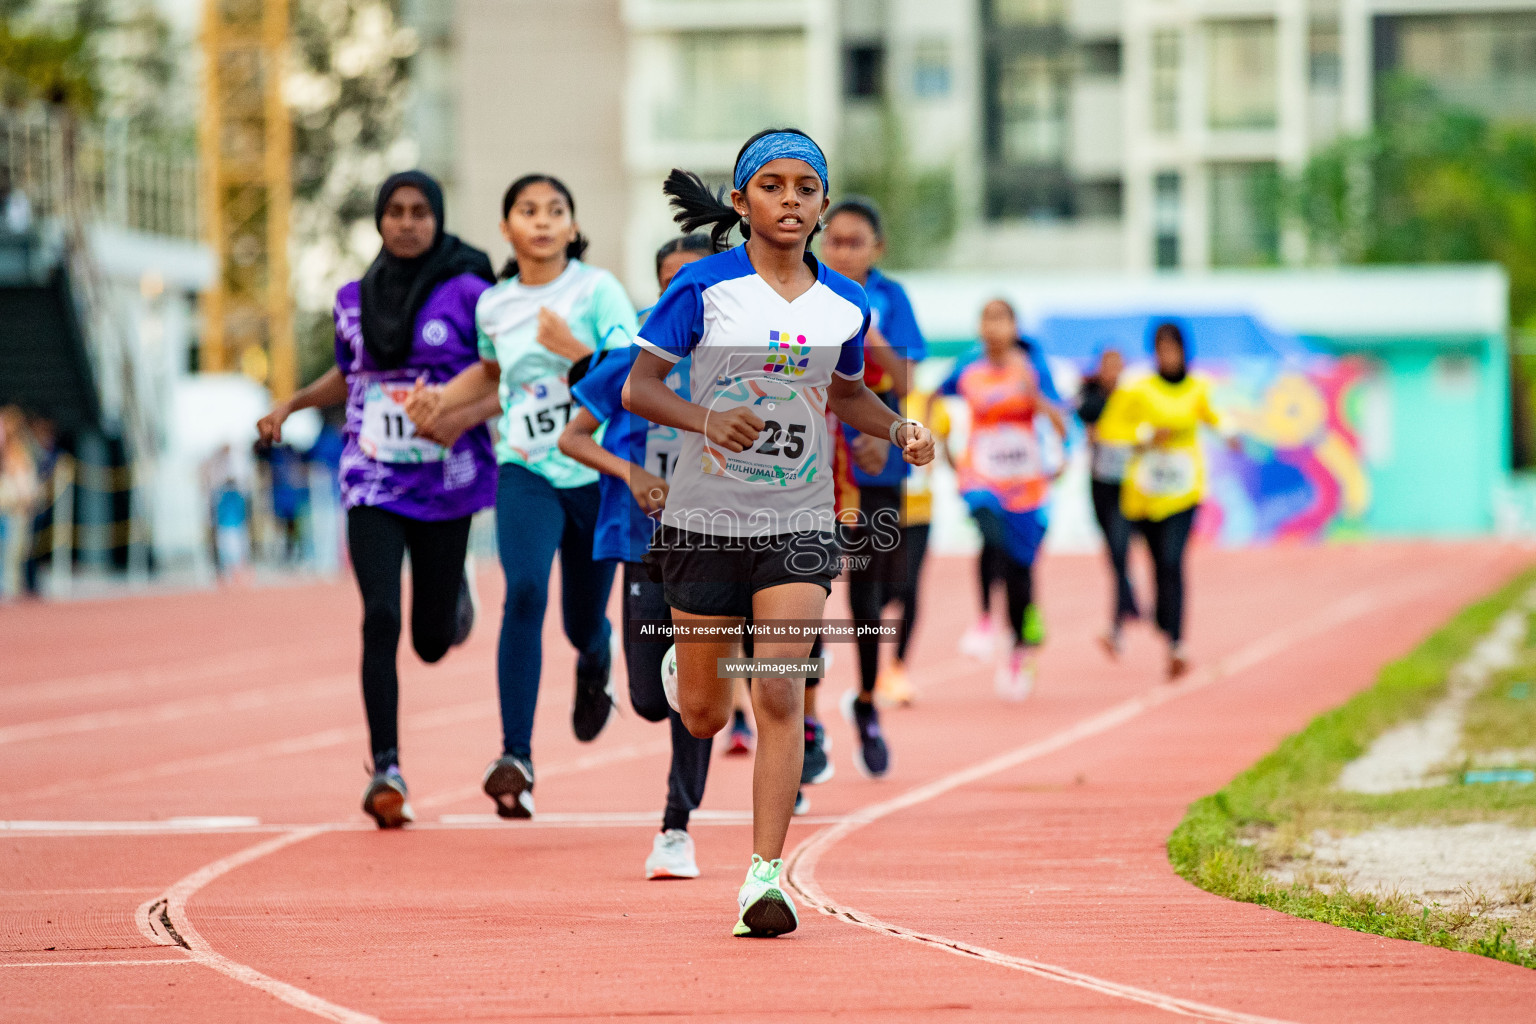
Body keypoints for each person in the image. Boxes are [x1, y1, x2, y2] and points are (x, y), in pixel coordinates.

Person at [623, 128, 935, 937]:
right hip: (701, 521)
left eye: (805, 187)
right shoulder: (702, 289)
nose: (790, 199)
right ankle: (685, 666)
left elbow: (847, 394)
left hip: (798, 521)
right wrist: (707, 418)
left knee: (778, 689)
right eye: (772, 185)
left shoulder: (845, 303)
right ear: (741, 201)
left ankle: (764, 878)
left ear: (823, 204)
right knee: (701, 714)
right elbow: (639, 388)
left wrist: (898, 428)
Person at [257, 170, 498, 828]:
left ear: (438, 219)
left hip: (446, 477)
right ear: (379, 220)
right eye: (395, 211)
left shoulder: (472, 293)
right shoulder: (351, 297)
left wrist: (462, 412)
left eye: (420, 211)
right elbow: (352, 371)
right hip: (372, 479)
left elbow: (505, 369)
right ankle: (386, 768)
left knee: (428, 640)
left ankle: (453, 601)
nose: (407, 222)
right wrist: (297, 401)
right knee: (380, 616)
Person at [406, 174, 638, 819]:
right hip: (526, 467)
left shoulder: (597, 289)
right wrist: (443, 399)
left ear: (572, 226)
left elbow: (632, 376)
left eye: (555, 211)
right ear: (506, 228)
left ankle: (597, 655)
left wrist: (574, 353)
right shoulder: (495, 306)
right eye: (527, 211)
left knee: (580, 621)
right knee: (526, 592)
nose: (541, 221)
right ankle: (516, 757)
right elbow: (492, 370)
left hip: (593, 469)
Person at [557, 233, 719, 880]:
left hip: (714, 548)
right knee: (653, 699)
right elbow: (572, 439)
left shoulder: (741, 361)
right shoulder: (629, 356)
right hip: (640, 543)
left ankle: (675, 828)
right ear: (657, 291)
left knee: (692, 698)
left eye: (697, 281)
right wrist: (630, 474)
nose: (684, 294)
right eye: (671, 282)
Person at [817, 196, 928, 775]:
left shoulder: (889, 298)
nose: (842, 251)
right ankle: (799, 716)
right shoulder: (803, 290)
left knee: (873, 595)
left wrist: (867, 323)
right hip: (809, 466)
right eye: (833, 240)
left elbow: (905, 376)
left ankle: (863, 701)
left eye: (855, 242)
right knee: (800, 587)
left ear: (877, 249)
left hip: (876, 465)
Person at [932, 299, 1066, 700]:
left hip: (1025, 482)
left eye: (1001, 319)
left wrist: (1061, 453)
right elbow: (932, 397)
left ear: (1014, 327)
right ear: (980, 327)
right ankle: (985, 621)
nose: (993, 327)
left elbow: (1059, 417)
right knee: (989, 535)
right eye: (987, 318)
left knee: (1020, 572)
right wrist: (941, 444)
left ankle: (1017, 651)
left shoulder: (1032, 367)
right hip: (981, 475)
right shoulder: (966, 368)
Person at [1099, 320, 1236, 679]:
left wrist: (1228, 432)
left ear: (1184, 352)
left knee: (1173, 562)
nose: (1168, 356)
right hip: (1144, 495)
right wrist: (1145, 434)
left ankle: (1176, 643)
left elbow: (1215, 415)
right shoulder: (1138, 389)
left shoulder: (1198, 388)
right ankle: (1162, 618)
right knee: (1157, 562)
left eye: (1173, 349)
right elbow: (1111, 428)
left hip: (1183, 492)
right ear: (1154, 353)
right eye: (1162, 349)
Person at [1077, 347, 1139, 656]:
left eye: (1117, 365)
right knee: (1113, 551)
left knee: (1119, 548)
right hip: (1101, 485)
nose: (1112, 371)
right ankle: (1132, 603)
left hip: (1129, 488)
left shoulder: (1132, 398)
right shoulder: (1091, 396)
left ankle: (1116, 623)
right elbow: (1081, 415)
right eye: (1107, 365)